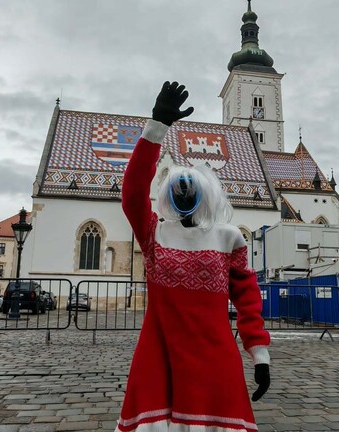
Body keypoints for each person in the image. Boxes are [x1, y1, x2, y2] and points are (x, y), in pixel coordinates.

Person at [115, 81, 270, 432]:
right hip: (161, 354)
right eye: (178, 190)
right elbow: (132, 194)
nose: (184, 195)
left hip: (214, 357)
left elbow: (248, 299)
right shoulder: (154, 233)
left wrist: (259, 354)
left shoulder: (227, 237)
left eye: (190, 190)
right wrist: (156, 127)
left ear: (206, 194)